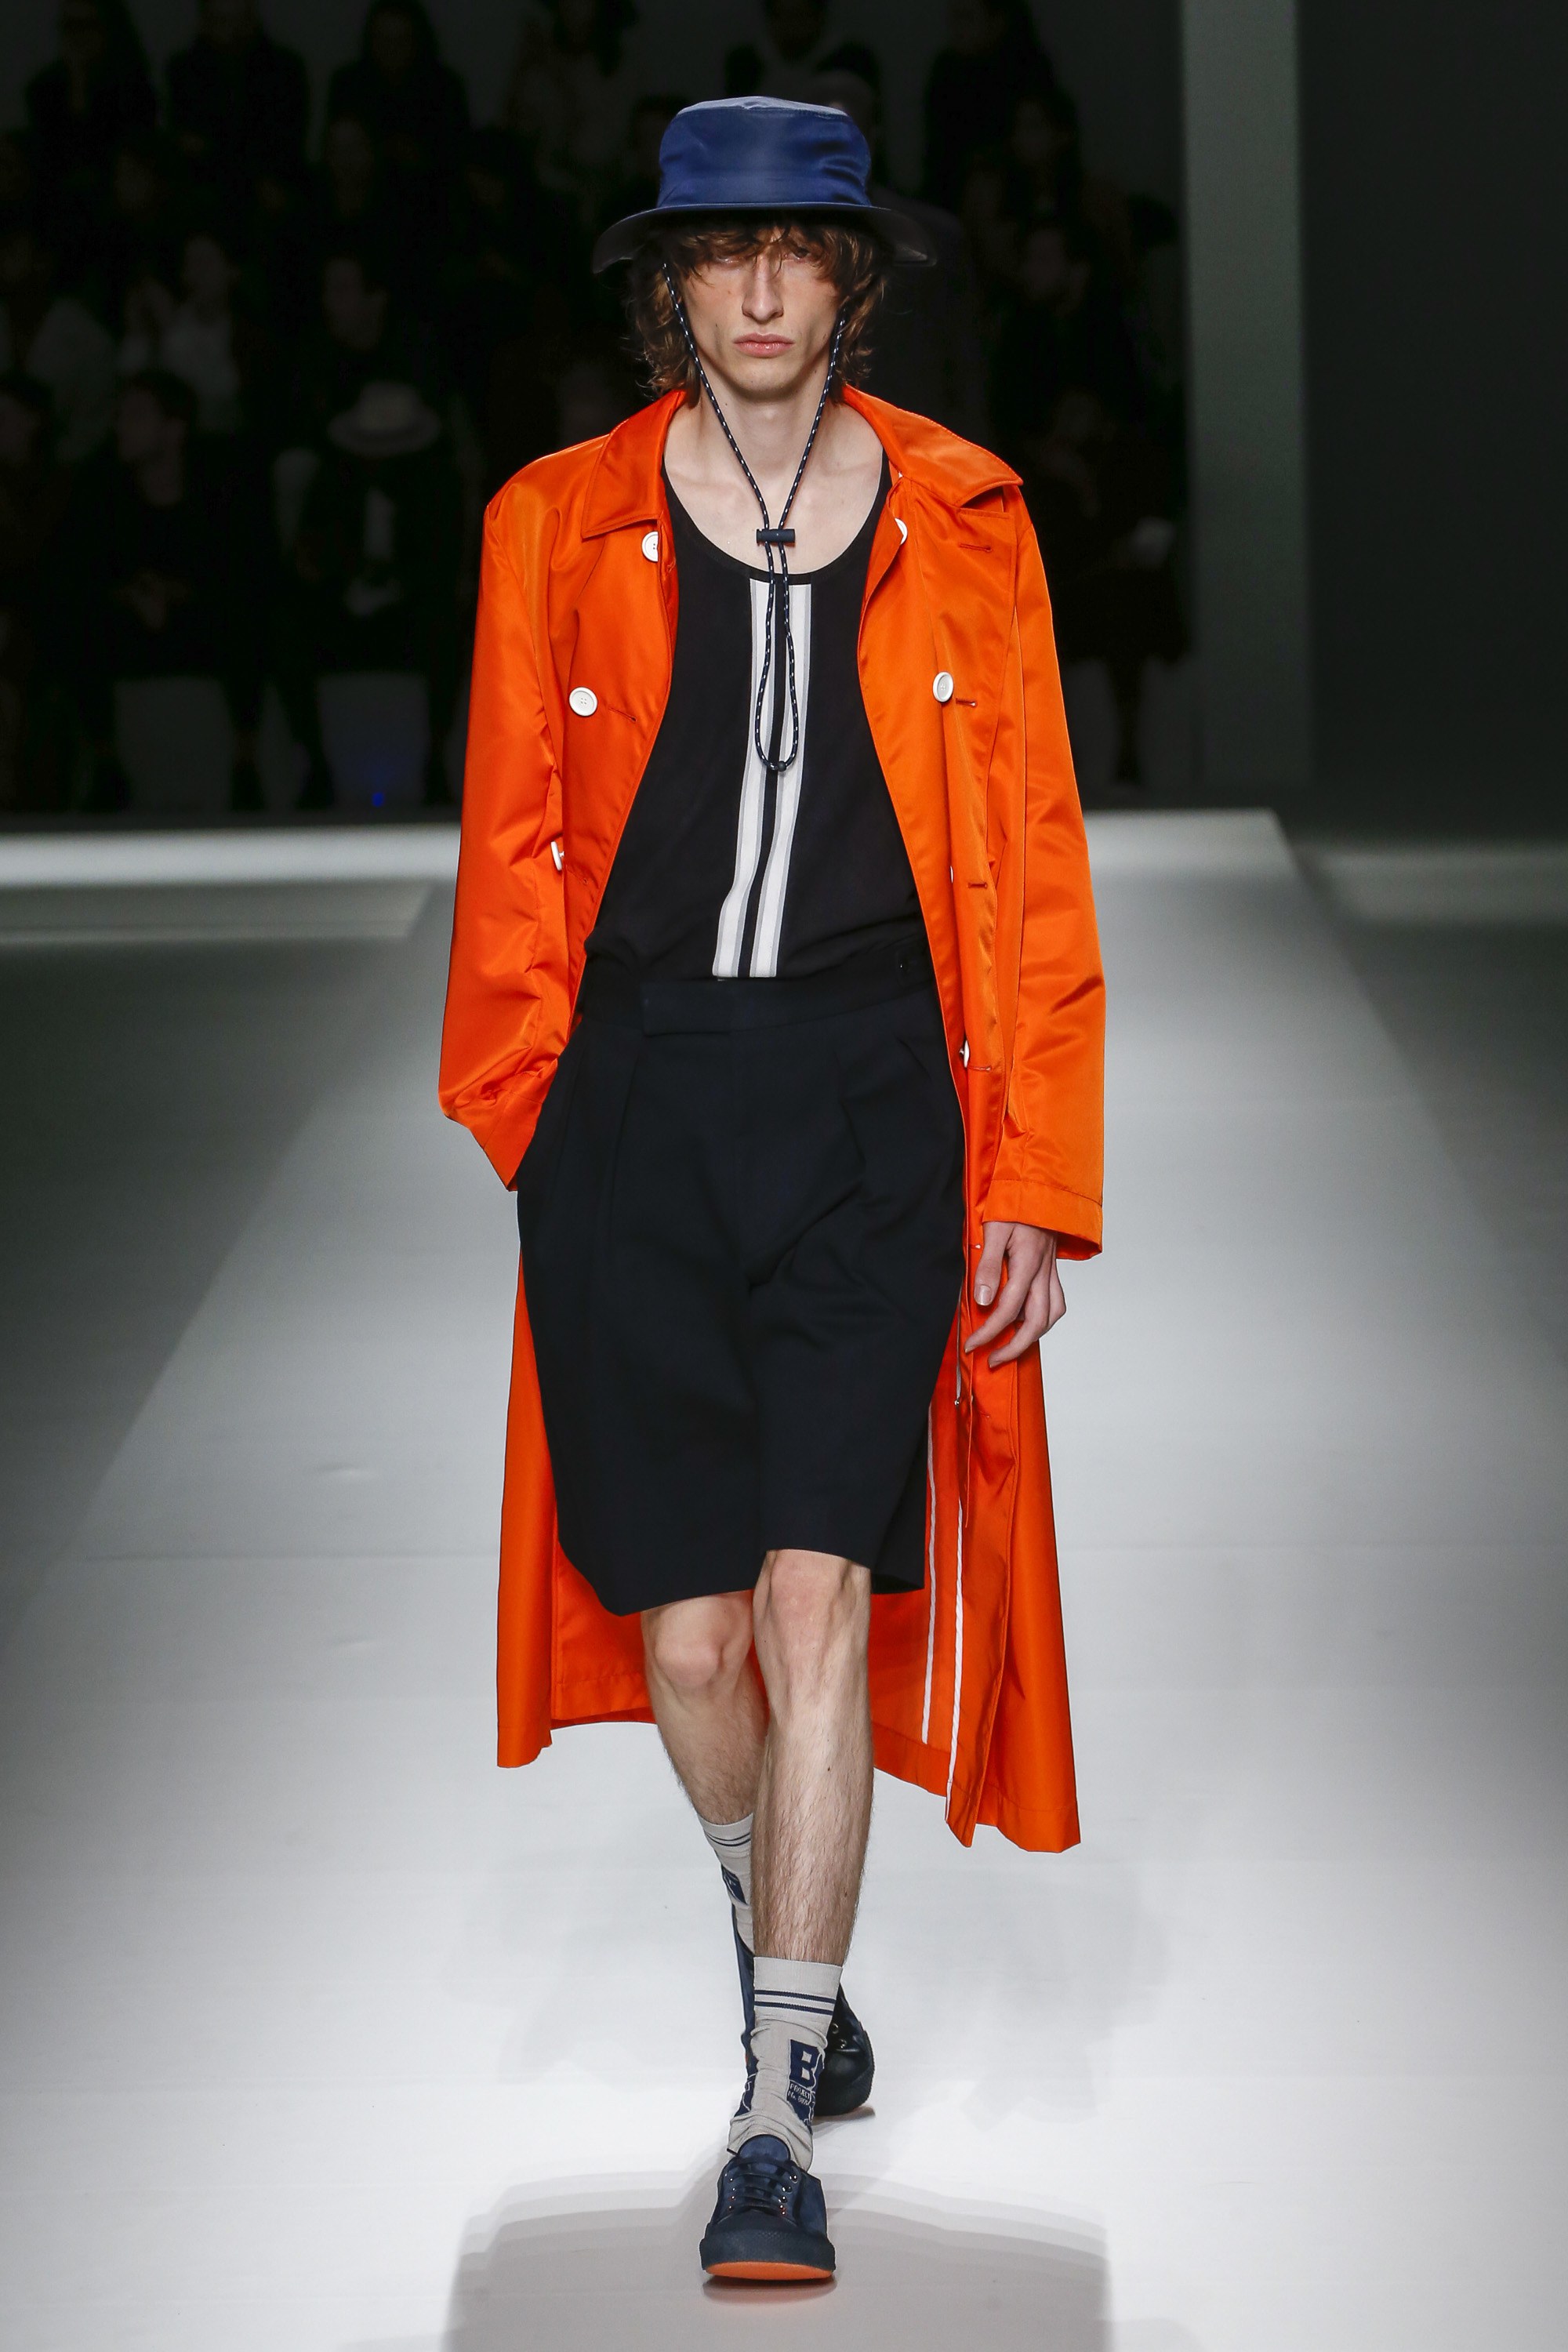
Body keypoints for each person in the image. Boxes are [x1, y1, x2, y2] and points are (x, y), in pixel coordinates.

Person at [439, 97, 1103, 2285]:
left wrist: (1035, 1167)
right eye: (715, 253)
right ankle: (767, 1914)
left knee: (819, 1596)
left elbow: (1030, 854)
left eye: (794, 251)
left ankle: (770, 2112)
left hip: (868, 1104)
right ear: (668, 283)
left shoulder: (966, 518)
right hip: (637, 1109)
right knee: (691, 1634)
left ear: (849, 278)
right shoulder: (556, 521)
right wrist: (533, 1111)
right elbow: (508, 835)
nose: (753, 287)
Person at [74, 366, 267, 808]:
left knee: (250, 623)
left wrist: (175, 597)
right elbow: (85, 572)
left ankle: (245, 759)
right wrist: (134, 595)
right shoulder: (102, 487)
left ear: (174, 430)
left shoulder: (216, 489)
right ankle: (105, 764)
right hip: (130, 623)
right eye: (120, 415)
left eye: (136, 416)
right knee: (79, 625)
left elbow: (239, 574)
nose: (120, 426)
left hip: (198, 622)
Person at [273, 378, 462, 808]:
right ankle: (314, 766)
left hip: (408, 617)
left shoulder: (436, 484)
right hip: (342, 612)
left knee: (447, 626)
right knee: (287, 627)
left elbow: (440, 565)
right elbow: (312, 554)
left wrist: (393, 584)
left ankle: (435, 761)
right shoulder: (333, 481)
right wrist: (343, 579)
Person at [812, 62, 989, 441]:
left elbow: (966, 365)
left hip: (920, 446)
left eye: (849, 136)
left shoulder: (934, 238)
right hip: (813, 449)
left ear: (874, 137)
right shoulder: (772, 248)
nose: (836, 153)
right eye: (822, 138)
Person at [24, 0, 156, 267]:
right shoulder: (44, 89)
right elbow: (52, 155)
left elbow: (128, 146)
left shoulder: (131, 86)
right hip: (60, 196)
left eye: (85, 26)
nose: (77, 36)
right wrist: (77, 87)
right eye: (69, 27)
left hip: (116, 193)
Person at [504, 0, 641, 234]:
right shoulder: (538, 70)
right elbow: (515, 126)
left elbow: (608, 136)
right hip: (546, 189)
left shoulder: (621, 67)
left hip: (606, 187)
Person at [165, 0, 310, 221]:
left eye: (241, 21)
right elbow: (186, 145)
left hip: (270, 195)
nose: (233, 31)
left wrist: (216, 151)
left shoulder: (285, 71)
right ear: (205, 23)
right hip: (208, 196)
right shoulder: (184, 72)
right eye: (222, 21)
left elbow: (286, 142)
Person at [327, 0, 470, 223]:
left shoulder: (444, 88)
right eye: (382, 39)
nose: (391, 49)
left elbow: (457, 154)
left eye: (401, 40)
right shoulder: (349, 84)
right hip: (359, 197)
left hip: (429, 200)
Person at [0, 372, 72, 808]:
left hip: (44, 634)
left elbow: (47, 572)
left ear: (33, 421)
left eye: (4, 416)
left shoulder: (59, 486)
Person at [0, 215, 117, 464]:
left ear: (43, 263)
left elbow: (92, 430)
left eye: (12, 253)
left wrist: (43, 468)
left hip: (64, 475)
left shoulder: (89, 340)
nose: (3, 263)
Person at [921, 0, 1050, 212]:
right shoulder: (946, 72)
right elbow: (938, 154)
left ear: (997, 22)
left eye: (967, 19)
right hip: (953, 198)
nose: (957, 29)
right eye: (954, 19)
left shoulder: (1028, 71)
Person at [724, 0, 835, 100]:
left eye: (801, 16)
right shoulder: (744, 67)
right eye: (785, 16)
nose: (792, 27)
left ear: (819, 19)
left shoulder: (836, 67)